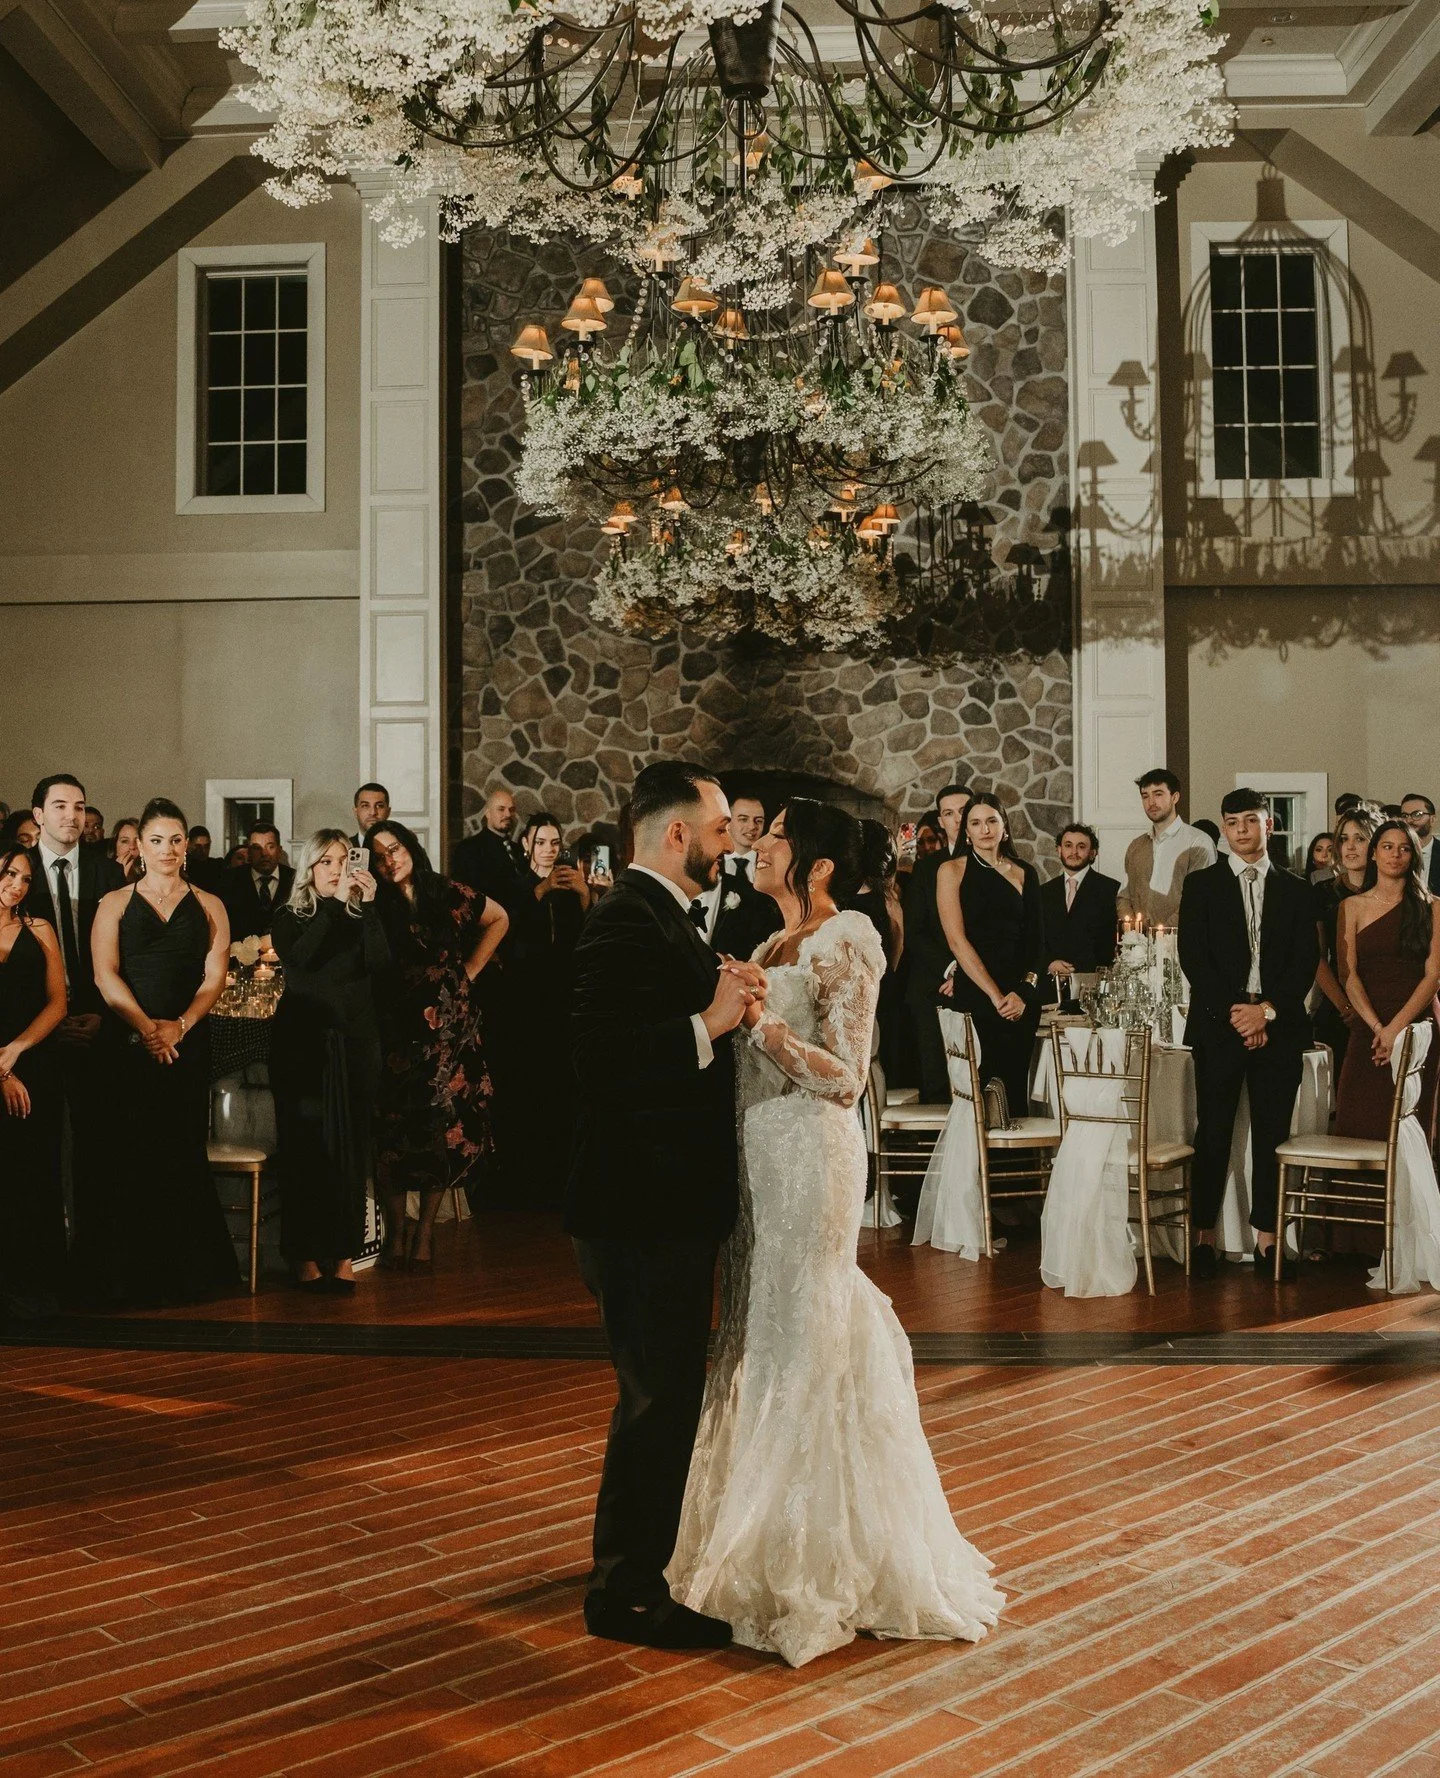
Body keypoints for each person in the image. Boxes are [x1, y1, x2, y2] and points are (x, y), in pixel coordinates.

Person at [668, 798, 1002, 1666]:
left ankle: (815, 1558)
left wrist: (761, 1023)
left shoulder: (846, 936)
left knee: (805, 1331)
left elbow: (847, 1077)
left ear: (817, 863)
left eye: (777, 834)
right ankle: (753, 1531)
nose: (758, 842)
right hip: (759, 1155)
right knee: (762, 1332)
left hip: (811, 1154)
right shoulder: (775, 939)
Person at [566, 761, 757, 1652]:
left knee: (665, 1395)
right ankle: (627, 1594)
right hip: (641, 1207)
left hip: (662, 1204)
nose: (729, 845)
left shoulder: (663, 917)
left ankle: (636, 1567)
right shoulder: (622, 920)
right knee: (656, 1399)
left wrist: (726, 1005)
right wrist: (709, 1023)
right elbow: (597, 1062)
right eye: (718, 829)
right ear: (675, 833)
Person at [91, 798, 238, 1305]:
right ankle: (128, 1279)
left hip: (188, 1044)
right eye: (156, 840)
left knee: (180, 1150)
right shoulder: (113, 903)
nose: (167, 849)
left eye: (176, 839)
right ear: (139, 846)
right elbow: (104, 975)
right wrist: (146, 1029)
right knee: (130, 1153)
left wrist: (179, 1026)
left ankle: (186, 1276)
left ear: (186, 845)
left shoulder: (211, 904)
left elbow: (214, 978)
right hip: (127, 1046)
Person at [1179, 789, 1318, 1280]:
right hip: (1219, 1024)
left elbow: (1305, 961)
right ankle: (1204, 1233)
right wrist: (1240, 1015)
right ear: (1224, 828)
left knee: (1272, 1132)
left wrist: (1267, 1013)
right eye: (1233, 821)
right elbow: (1194, 958)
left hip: (1279, 1026)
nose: (1242, 829)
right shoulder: (1201, 885)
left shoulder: (1297, 889)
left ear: (1268, 825)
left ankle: (1267, 1237)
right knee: (1213, 1130)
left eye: (1251, 820)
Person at [369, 819, 508, 1269]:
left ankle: (425, 1232)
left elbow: (500, 917)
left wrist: (470, 970)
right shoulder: (373, 902)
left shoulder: (445, 891)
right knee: (391, 1132)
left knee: (439, 1133)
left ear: (410, 846)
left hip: (449, 1029)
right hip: (393, 1029)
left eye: (395, 849)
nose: (390, 861)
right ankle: (395, 1233)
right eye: (379, 856)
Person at [270, 831, 389, 1292]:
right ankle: (303, 1254)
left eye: (344, 860)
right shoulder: (289, 917)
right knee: (305, 1149)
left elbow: (381, 966)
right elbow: (303, 959)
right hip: (303, 1045)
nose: (337, 869)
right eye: (326, 861)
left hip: (357, 1042)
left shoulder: (359, 915)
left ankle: (343, 1253)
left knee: (351, 1150)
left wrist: (369, 907)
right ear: (310, 868)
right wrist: (337, 905)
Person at [24, 774, 124, 1303]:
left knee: (97, 1149)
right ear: (38, 815)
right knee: (37, 1151)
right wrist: (44, 1020)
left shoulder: (109, 873)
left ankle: (95, 1271)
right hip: (36, 1028)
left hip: (97, 1025)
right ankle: (42, 1272)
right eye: (60, 806)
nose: (72, 815)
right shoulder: (15, 872)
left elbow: (125, 953)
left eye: (80, 806)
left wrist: (103, 1015)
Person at [936, 792, 1045, 1119]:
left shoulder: (1025, 873)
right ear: (966, 831)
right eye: (976, 823)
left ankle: (1018, 1153)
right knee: (980, 1094)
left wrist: (1023, 993)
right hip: (977, 996)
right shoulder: (951, 870)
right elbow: (956, 941)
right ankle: (981, 1154)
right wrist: (995, 996)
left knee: (1015, 1092)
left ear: (1004, 827)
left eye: (991, 821)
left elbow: (1037, 944)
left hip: (1020, 1000)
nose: (985, 829)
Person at [1334, 819, 1440, 1142]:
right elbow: (1348, 975)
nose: (1395, 855)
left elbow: (1433, 976)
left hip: (1416, 1024)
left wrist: (1395, 1030)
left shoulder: (1433, 907)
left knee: (1408, 1129)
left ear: (1414, 856)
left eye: (1404, 849)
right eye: (1388, 847)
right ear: (1374, 854)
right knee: (1355, 1120)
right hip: (1367, 1024)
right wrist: (1378, 1028)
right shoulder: (1351, 906)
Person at [508, 813, 591, 1204]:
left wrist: (586, 896)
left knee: (564, 1087)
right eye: (541, 842)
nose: (548, 850)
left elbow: (585, 941)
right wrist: (539, 891)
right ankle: (528, 1181)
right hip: (526, 1002)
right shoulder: (516, 883)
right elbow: (509, 933)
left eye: (555, 843)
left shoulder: (571, 886)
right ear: (527, 844)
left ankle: (562, 1179)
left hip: (565, 998)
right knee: (530, 1086)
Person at [0, 845, 68, 1316]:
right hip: (4, 1069)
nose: (17, 885)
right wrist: (1, 1071)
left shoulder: (39, 928)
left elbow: (58, 1002)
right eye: (9, 873)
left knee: (33, 1173)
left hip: (34, 1064)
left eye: (26, 878)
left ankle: (33, 1287)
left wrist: (17, 1050)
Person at [900, 782, 971, 1101]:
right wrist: (953, 969)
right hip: (933, 985)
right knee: (937, 1084)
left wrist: (969, 973)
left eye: (963, 811)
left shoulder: (1000, 864)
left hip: (984, 986)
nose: (958, 819)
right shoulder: (927, 867)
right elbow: (914, 931)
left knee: (982, 1081)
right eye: (949, 813)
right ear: (941, 820)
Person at [1312, 808, 1376, 1077]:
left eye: (1360, 839)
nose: (1350, 847)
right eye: (1344, 839)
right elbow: (1316, 956)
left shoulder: (1392, 893)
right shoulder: (1323, 893)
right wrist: (1345, 1007)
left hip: (1383, 1000)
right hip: (1338, 1004)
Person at [1118, 769, 1216, 928]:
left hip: (1184, 937)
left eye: (1158, 794)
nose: (1151, 802)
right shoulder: (1136, 846)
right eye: (1145, 796)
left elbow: (1198, 900)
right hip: (1138, 940)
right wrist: (1134, 932)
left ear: (1175, 797)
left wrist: (1161, 934)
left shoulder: (1198, 842)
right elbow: (1124, 896)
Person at [1039, 823, 1120, 999]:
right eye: (1068, 845)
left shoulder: (1110, 890)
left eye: (1081, 846)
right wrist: (1049, 963)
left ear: (1093, 853)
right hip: (1050, 990)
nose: (1074, 851)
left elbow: (1110, 943)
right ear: (1059, 850)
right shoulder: (1043, 892)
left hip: (1094, 990)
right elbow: (1036, 938)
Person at [450, 785, 530, 914]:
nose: (507, 814)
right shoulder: (469, 849)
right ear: (488, 813)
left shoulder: (518, 849)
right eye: (501, 809)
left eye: (511, 810)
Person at [222, 821, 295, 943]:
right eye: (257, 848)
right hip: (241, 952)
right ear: (249, 852)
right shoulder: (230, 880)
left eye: (270, 847)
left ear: (279, 850)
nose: (264, 854)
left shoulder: (295, 879)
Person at [1400, 794, 1440, 893]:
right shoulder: (1394, 853)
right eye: (1405, 816)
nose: (1409, 820)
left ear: (1432, 819)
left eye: (1417, 814)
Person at [351, 782, 390, 851]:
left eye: (379, 806)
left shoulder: (402, 848)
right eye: (365, 806)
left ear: (388, 812)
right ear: (356, 812)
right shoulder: (345, 848)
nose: (373, 812)